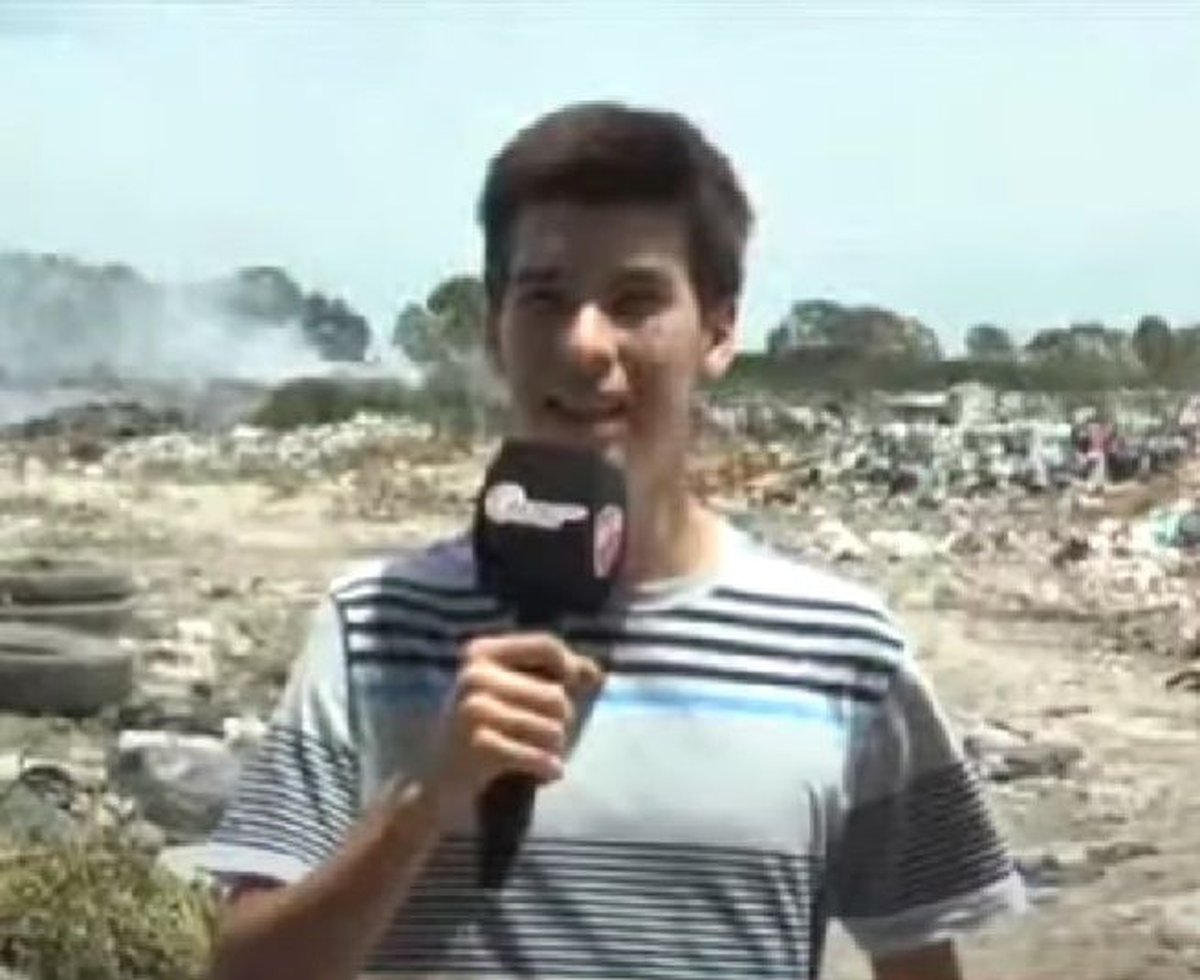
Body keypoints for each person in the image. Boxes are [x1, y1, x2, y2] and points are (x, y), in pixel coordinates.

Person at [197, 101, 1026, 980]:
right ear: (494, 328)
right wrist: (424, 805)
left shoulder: (845, 650)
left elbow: (918, 962)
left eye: (635, 301)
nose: (585, 344)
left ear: (718, 328)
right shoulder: (371, 627)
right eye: (545, 298)